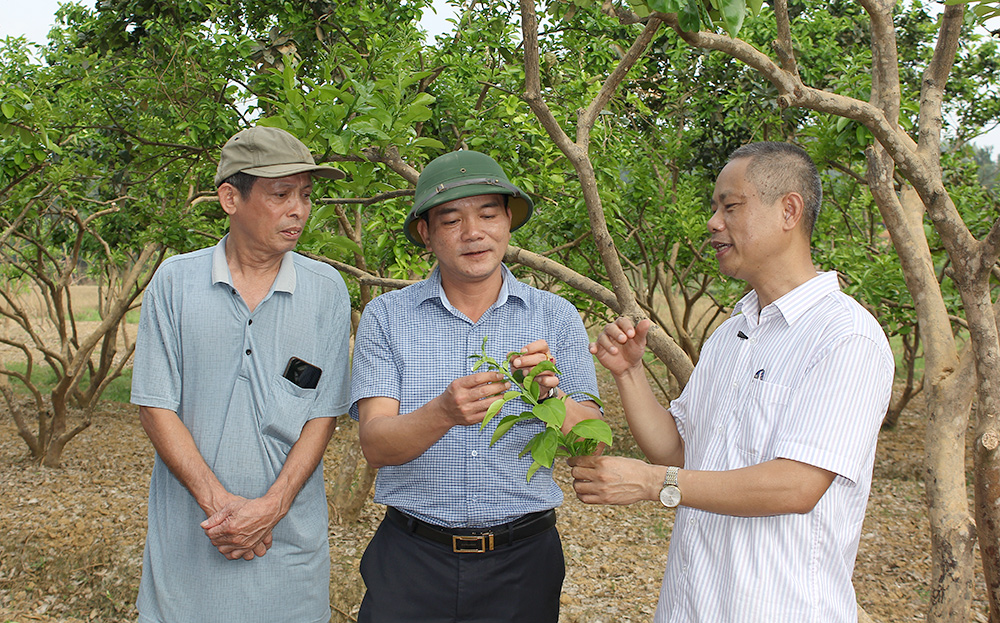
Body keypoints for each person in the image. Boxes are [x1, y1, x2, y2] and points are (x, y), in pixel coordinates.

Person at [571, 142, 893, 622]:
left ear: (789, 210)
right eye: (715, 207)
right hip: (692, 606)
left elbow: (797, 486)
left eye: (731, 206)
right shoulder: (733, 332)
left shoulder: (845, 337)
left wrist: (651, 483)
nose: (713, 222)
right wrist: (630, 372)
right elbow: (679, 450)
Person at [350, 150, 602, 622]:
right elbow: (376, 444)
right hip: (411, 559)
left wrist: (551, 395)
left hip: (523, 563)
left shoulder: (555, 317)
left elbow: (589, 446)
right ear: (426, 233)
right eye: (451, 220)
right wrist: (442, 412)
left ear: (508, 221)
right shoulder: (388, 317)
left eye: (488, 213)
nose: (473, 232)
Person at [130, 126, 352, 623]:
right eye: (280, 194)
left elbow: (323, 415)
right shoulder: (176, 282)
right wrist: (223, 508)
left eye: (306, 195)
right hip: (191, 541)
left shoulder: (326, 290)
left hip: (287, 546)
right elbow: (155, 405)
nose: (299, 210)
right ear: (231, 197)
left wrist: (271, 508)